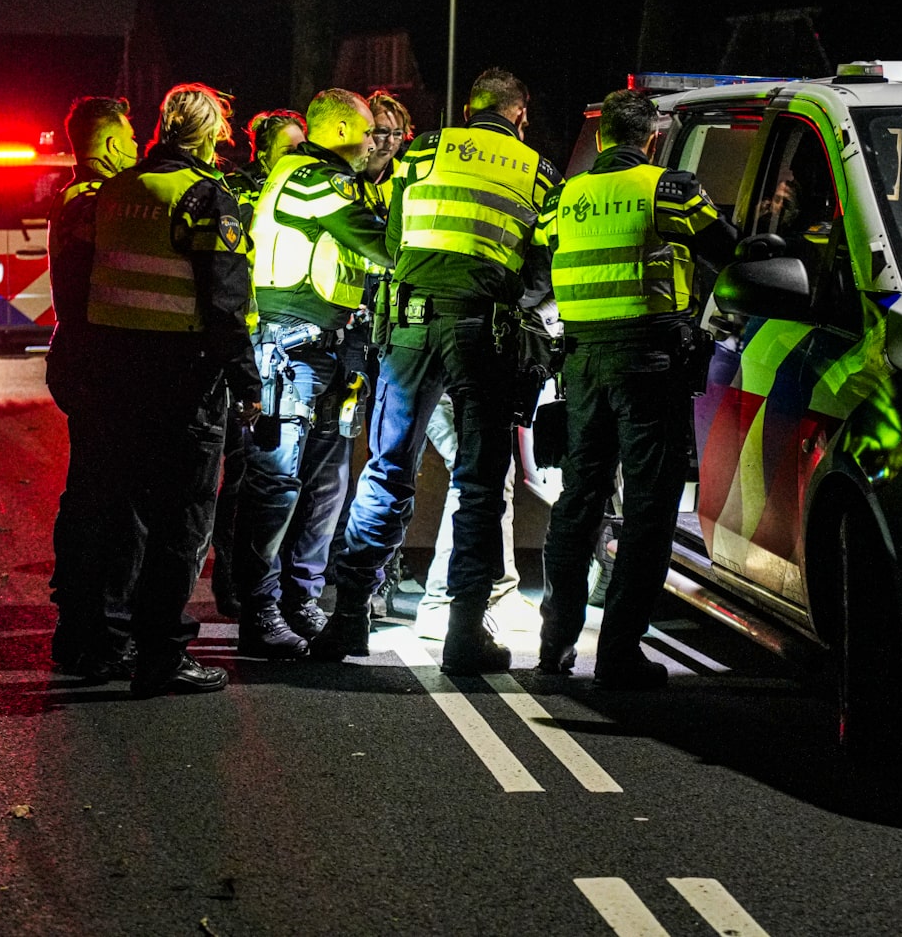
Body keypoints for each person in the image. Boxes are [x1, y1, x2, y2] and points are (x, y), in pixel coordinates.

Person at [315, 67, 560, 674]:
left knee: (387, 468)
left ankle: (349, 617)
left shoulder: (423, 152)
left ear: (469, 110)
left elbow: (396, 239)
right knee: (479, 483)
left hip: (409, 324)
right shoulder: (537, 171)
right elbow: (540, 271)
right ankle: (463, 632)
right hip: (481, 332)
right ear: (519, 116)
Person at [535, 88, 737, 687]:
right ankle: (619, 652)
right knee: (649, 507)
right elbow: (728, 251)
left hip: (582, 364)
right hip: (648, 363)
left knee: (579, 502)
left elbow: (542, 256)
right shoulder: (669, 189)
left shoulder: (564, 196)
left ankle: (555, 643)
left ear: (601, 138)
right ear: (651, 138)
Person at [86, 83, 262, 697]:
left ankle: (114, 641)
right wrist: (246, 381)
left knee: (125, 513)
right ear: (210, 135)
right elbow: (225, 303)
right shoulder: (205, 196)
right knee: (182, 519)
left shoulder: (118, 190)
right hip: (182, 377)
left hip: (115, 373)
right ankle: (162, 654)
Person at [232, 88, 390, 657]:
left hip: (328, 349)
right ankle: (260, 611)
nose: (373, 142)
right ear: (342, 130)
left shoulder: (328, 180)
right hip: (291, 350)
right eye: (368, 131)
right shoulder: (313, 179)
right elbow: (382, 244)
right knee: (276, 485)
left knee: (325, 485)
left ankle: (301, 600)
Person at [46, 96, 144, 677]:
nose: (137, 148)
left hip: (83, 359)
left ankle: (80, 626)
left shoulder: (78, 197)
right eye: (130, 139)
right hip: (99, 363)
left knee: (90, 493)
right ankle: (99, 632)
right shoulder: (96, 203)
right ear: (109, 146)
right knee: (110, 500)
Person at [210, 106, 307, 617]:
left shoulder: (306, 191)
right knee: (238, 470)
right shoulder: (240, 193)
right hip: (242, 345)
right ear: (263, 152)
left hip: (281, 344)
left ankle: (262, 576)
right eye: (288, 149)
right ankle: (229, 578)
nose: (298, 157)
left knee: (269, 470)